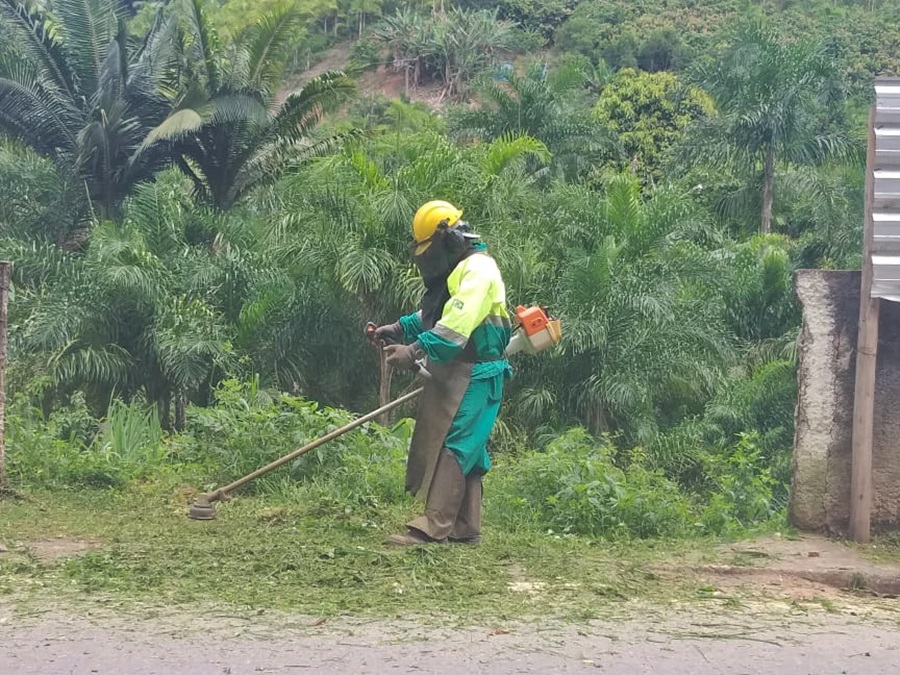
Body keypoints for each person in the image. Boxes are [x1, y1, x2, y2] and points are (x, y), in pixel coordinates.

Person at [374, 200, 511, 546]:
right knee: (472, 450)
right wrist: (397, 329)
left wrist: (414, 350)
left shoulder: (479, 269)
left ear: (447, 240)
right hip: (460, 370)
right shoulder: (457, 270)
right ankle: (467, 527)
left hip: (478, 373)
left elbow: (455, 327)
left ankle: (434, 526)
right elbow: (434, 313)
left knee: (456, 445)